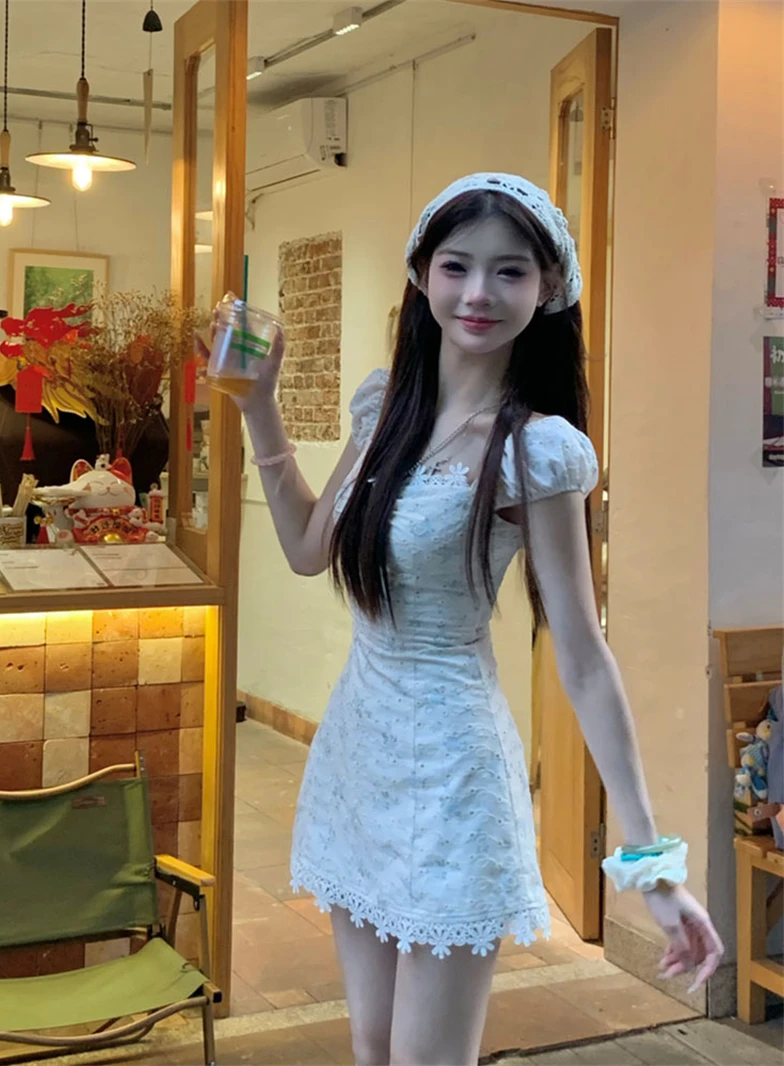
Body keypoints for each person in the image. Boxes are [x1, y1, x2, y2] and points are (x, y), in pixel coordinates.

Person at [203, 173, 724, 1066]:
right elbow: (307, 548)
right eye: (457, 266)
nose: (479, 292)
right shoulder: (385, 410)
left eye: (509, 271)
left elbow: (584, 658)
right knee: (372, 1048)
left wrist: (652, 865)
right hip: (357, 761)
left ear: (547, 287)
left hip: (453, 781)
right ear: (422, 275)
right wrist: (258, 405)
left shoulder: (537, 450)